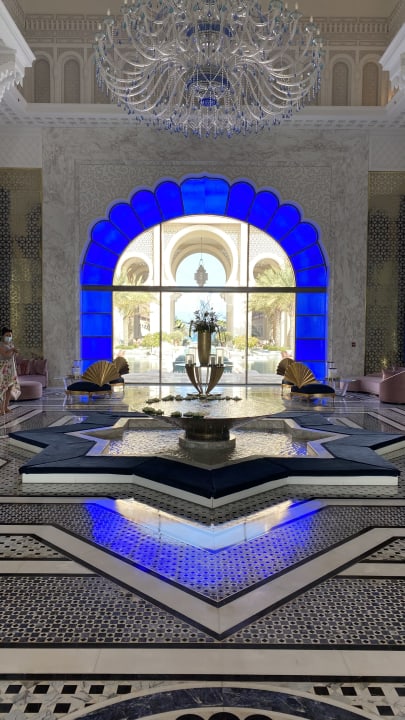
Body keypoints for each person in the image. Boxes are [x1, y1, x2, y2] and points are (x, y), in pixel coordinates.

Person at [0, 327, 20, 414]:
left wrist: (15, 351)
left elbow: (12, 356)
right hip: (3, 368)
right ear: (3, 336)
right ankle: (1, 409)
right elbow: (5, 355)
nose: (9, 337)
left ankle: (6, 407)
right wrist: (12, 349)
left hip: (11, 368)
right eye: (7, 335)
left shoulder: (11, 344)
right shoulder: (1, 345)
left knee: (10, 387)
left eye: (10, 335)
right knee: (3, 388)